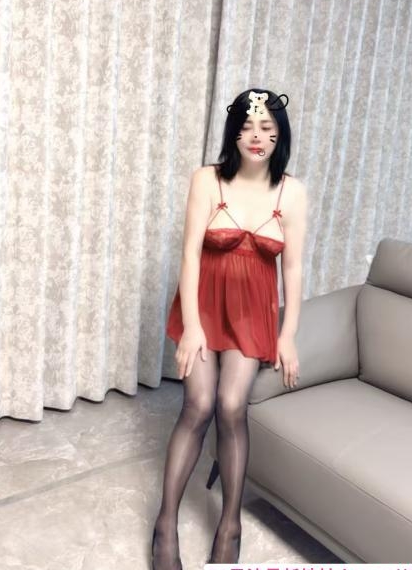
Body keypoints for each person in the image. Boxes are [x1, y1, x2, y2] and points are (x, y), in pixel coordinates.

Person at [151, 88, 308, 569]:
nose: (256, 136)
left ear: (279, 135)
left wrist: (287, 334)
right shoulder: (207, 179)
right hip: (202, 307)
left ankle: (230, 524)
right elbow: (189, 255)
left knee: (231, 405)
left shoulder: (292, 193)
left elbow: (293, 269)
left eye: (266, 128)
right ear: (233, 133)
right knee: (198, 404)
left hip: (252, 314)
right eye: (246, 126)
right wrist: (192, 327)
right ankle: (165, 524)